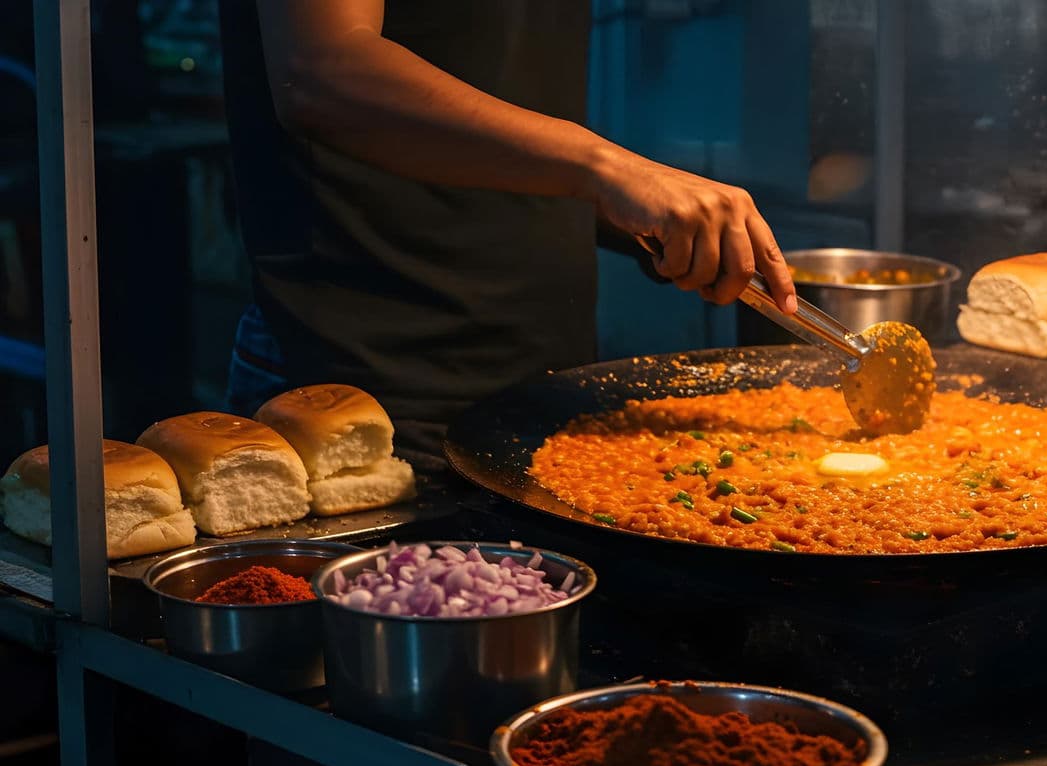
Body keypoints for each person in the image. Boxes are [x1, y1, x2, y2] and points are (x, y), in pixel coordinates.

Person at [216, 1, 797, 464]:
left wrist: (648, 215)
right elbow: (321, 72)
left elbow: (493, 107)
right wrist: (610, 170)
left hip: (551, 389)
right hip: (361, 395)